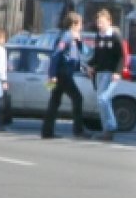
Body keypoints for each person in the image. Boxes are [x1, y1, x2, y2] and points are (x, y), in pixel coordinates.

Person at [41, 12, 89, 139]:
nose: (81, 27)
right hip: (62, 74)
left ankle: (47, 131)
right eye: (80, 24)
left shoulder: (72, 38)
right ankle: (78, 130)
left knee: (54, 101)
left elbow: (79, 55)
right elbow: (56, 54)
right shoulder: (66, 36)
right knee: (77, 98)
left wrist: (79, 42)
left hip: (63, 73)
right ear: (74, 24)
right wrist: (52, 75)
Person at [87, 9, 127, 142]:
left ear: (109, 22)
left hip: (111, 74)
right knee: (102, 101)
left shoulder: (115, 36)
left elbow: (122, 56)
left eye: (102, 22)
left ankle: (111, 126)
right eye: (98, 22)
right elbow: (97, 56)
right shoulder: (99, 36)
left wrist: (117, 72)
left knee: (103, 99)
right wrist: (90, 65)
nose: (100, 25)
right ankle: (106, 131)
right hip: (100, 73)